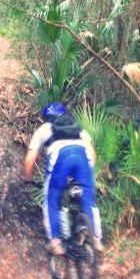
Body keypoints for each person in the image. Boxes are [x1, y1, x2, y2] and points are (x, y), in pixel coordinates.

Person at [23, 102, 103, 256]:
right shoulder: (78, 127)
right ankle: (96, 239)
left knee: (52, 198)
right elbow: (92, 154)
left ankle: (56, 242)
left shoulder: (45, 128)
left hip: (61, 156)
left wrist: (28, 178)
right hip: (83, 157)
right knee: (88, 200)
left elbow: (29, 160)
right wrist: (86, 176)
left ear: (46, 118)